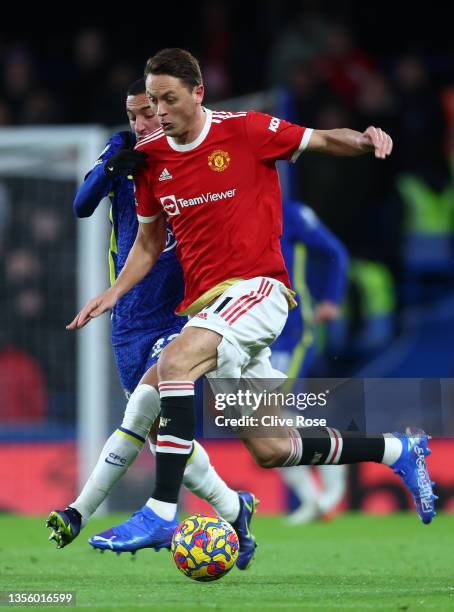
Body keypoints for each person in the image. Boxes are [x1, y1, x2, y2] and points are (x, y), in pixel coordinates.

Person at [67, 48, 436, 553]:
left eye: (169, 100)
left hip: (257, 292)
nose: (160, 113)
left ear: (198, 93)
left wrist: (366, 137)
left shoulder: (244, 130)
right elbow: (149, 244)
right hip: (211, 311)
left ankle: (160, 510)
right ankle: (398, 449)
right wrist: (113, 292)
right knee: (270, 448)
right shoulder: (151, 163)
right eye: (152, 101)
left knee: (173, 363)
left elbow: (324, 138)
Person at [46, 79, 258, 569]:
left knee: (144, 405)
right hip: (128, 320)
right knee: (168, 437)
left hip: (180, 313)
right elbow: (81, 205)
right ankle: (235, 509)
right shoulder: (122, 150)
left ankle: (78, 512)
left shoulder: (187, 154)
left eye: (150, 112)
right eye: (135, 115)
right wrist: (110, 170)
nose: (143, 124)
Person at [272, 201, 349, 524]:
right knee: (257, 418)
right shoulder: (236, 208)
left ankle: (334, 458)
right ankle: (312, 498)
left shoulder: (291, 213)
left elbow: (335, 251)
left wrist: (331, 298)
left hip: (291, 330)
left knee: (265, 413)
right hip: (252, 333)